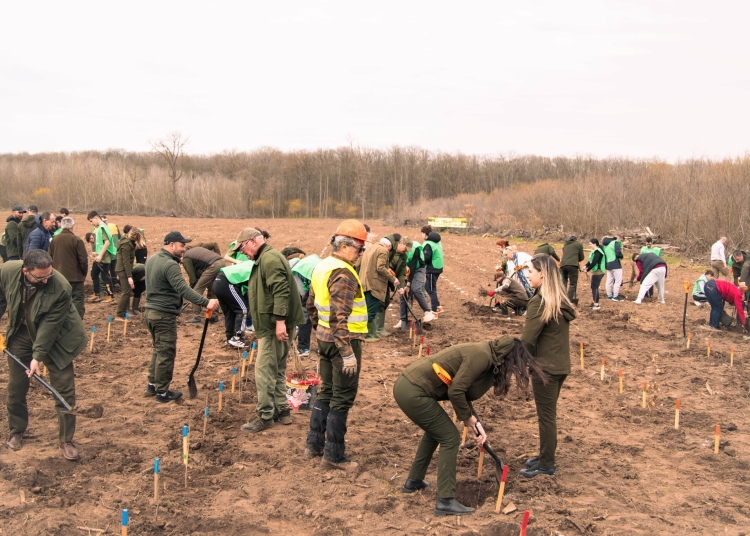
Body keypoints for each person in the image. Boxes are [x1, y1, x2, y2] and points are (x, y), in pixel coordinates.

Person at [394, 336, 545, 516]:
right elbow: (456, 390)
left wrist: (476, 423)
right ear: (508, 356)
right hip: (412, 390)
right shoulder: (481, 356)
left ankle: (414, 481)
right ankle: (445, 501)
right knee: (450, 437)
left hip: (411, 387)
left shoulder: (487, 356)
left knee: (437, 431)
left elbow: (463, 391)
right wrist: (466, 418)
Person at [0, 250, 87, 460]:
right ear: (25, 271)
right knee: (16, 386)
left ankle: (66, 439)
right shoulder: (8, 271)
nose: (46, 279)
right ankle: (17, 430)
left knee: (64, 388)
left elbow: (50, 327)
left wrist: (37, 357)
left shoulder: (61, 287)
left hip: (58, 337)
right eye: (41, 277)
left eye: (49, 274)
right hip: (21, 332)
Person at [305, 220, 369, 470]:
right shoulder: (343, 273)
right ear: (343, 246)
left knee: (326, 392)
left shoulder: (323, 266)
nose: (361, 253)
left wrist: (319, 331)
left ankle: (314, 444)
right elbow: (339, 316)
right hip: (344, 342)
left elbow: (311, 305)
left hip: (325, 339)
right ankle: (334, 455)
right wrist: (347, 354)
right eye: (359, 249)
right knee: (342, 397)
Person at [233, 228, 304, 432]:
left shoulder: (269, 259)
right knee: (278, 368)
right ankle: (282, 410)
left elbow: (281, 290)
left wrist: (280, 322)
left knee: (263, 370)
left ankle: (264, 415)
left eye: (243, 247)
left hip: (276, 326)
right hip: (274, 325)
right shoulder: (265, 258)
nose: (242, 252)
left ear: (253, 241)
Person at [143, 232, 219, 403]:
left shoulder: (153, 259)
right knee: (166, 352)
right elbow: (183, 289)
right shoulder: (170, 265)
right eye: (182, 245)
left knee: (158, 349)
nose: (184, 249)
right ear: (171, 245)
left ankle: (152, 385)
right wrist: (205, 302)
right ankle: (162, 392)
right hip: (163, 315)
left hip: (150, 312)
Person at [521, 254, 576, 478]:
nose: (527, 275)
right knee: (548, 416)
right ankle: (544, 456)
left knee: (546, 417)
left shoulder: (540, 302)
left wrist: (525, 363)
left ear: (542, 274)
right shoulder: (560, 300)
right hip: (561, 366)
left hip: (545, 369)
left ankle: (547, 464)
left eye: (530, 272)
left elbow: (527, 340)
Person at [359, 235, 399, 341]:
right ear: (388, 246)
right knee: (371, 311)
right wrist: (393, 279)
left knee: (366, 309)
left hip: (364, 283)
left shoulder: (370, 248)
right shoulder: (383, 250)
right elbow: (380, 267)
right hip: (374, 285)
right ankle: (368, 335)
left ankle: (371, 333)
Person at [48, 217, 88, 319]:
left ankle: (61, 320)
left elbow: (49, 258)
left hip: (58, 277)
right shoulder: (77, 240)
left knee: (60, 300)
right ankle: (76, 321)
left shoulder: (54, 240)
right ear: (72, 227)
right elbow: (83, 260)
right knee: (77, 300)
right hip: (75, 278)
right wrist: (83, 273)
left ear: (61, 226)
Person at [213, 259, 254, 348]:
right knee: (243, 309)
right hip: (227, 282)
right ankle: (237, 338)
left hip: (217, 281)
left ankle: (230, 338)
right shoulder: (257, 268)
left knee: (230, 312)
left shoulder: (249, 263)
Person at [395, 236, 435, 328]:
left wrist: (408, 284)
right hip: (407, 269)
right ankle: (403, 320)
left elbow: (413, 267)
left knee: (416, 288)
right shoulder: (396, 250)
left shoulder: (415, 250)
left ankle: (428, 312)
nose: (407, 251)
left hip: (418, 268)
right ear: (401, 244)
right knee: (404, 294)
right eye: (405, 249)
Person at [182, 245, 224, 323]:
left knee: (196, 290)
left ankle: (196, 316)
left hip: (214, 266)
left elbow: (193, 280)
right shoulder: (195, 251)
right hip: (221, 262)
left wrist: (189, 291)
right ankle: (214, 316)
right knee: (213, 289)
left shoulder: (186, 258)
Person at [291, 254, 322, 357]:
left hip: (318, 283)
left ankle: (303, 348)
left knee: (305, 315)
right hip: (325, 282)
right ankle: (324, 348)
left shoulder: (295, 272)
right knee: (324, 314)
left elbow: (302, 294)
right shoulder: (306, 262)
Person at [115, 227, 146, 319]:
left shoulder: (127, 242)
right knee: (126, 292)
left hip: (122, 270)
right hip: (123, 270)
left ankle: (125, 312)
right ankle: (119, 314)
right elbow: (126, 262)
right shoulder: (127, 245)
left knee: (127, 291)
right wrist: (129, 277)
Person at [86, 211, 115, 303]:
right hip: (99, 256)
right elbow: (100, 244)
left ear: (96, 218)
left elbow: (107, 242)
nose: (91, 223)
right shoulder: (99, 228)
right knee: (94, 274)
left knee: (105, 276)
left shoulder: (102, 228)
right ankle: (97, 294)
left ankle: (111, 296)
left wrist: (100, 255)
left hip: (104, 257)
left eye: (91, 221)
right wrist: (97, 253)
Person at [423, 227, 444, 315]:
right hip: (438, 267)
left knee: (431, 289)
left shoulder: (428, 243)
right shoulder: (437, 241)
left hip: (432, 269)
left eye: (422, 233)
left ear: (425, 234)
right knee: (428, 287)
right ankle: (438, 307)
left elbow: (426, 258)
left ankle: (434, 311)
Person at [560, 236, 584, 304]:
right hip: (572, 265)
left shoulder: (565, 245)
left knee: (564, 281)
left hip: (563, 265)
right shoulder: (578, 244)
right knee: (573, 283)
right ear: (576, 239)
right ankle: (569, 300)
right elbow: (581, 257)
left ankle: (562, 298)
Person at [584, 238, 606, 310]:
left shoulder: (598, 252)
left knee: (595, 287)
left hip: (599, 271)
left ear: (595, 244)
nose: (589, 245)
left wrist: (588, 269)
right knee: (593, 286)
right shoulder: (594, 251)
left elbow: (594, 262)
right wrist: (585, 266)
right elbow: (591, 261)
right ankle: (594, 302)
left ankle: (596, 304)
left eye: (590, 244)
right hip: (596, 271)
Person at [602, 235, 624, 301]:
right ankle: (615, 296)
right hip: (616, 264)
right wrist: (621, 256)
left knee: (609, 280)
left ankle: (609, 295)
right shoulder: (615, 243)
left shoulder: (605, 246)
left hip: (608, 264)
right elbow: (618, 253)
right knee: (618, 281)